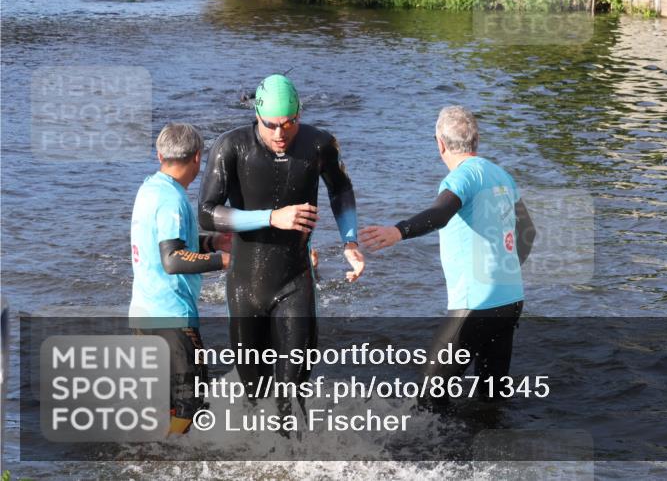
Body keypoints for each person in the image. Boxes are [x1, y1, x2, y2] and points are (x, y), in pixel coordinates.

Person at [199, 74, 364, 419]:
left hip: (295, 282)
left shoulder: (319, 145)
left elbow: (341, 190)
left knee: (292, 393)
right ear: (256, 115)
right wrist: (271, 217)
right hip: (246, 287)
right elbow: (207, 213)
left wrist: (349, 240)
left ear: (299, 115)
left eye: (288, 124)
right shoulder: (231, 146)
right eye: (270, 125)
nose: (279, 134)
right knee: (255, 394)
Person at [360, 106, 536, 407]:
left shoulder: (462, 177)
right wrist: (503, 271)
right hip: (510, 300)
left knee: (429, 400)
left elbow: (441, 213)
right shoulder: (502, 175)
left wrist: (399, 231)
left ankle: (438, 453)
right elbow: (528, 232)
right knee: (491, 399)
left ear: (439, 143)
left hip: (476, 304)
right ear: (476, 140)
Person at [130, 123, 232, 435]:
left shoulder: (150, 188)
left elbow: (168, 243)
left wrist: (213, 242)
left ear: (160, 154)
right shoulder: (172, 200)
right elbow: (173, 259)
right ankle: (167, 460)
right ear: (198, 158)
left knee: (164, 403)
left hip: (143, 315)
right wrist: (225, 260)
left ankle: (150, 456)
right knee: (193, 403)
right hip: (172, 317)